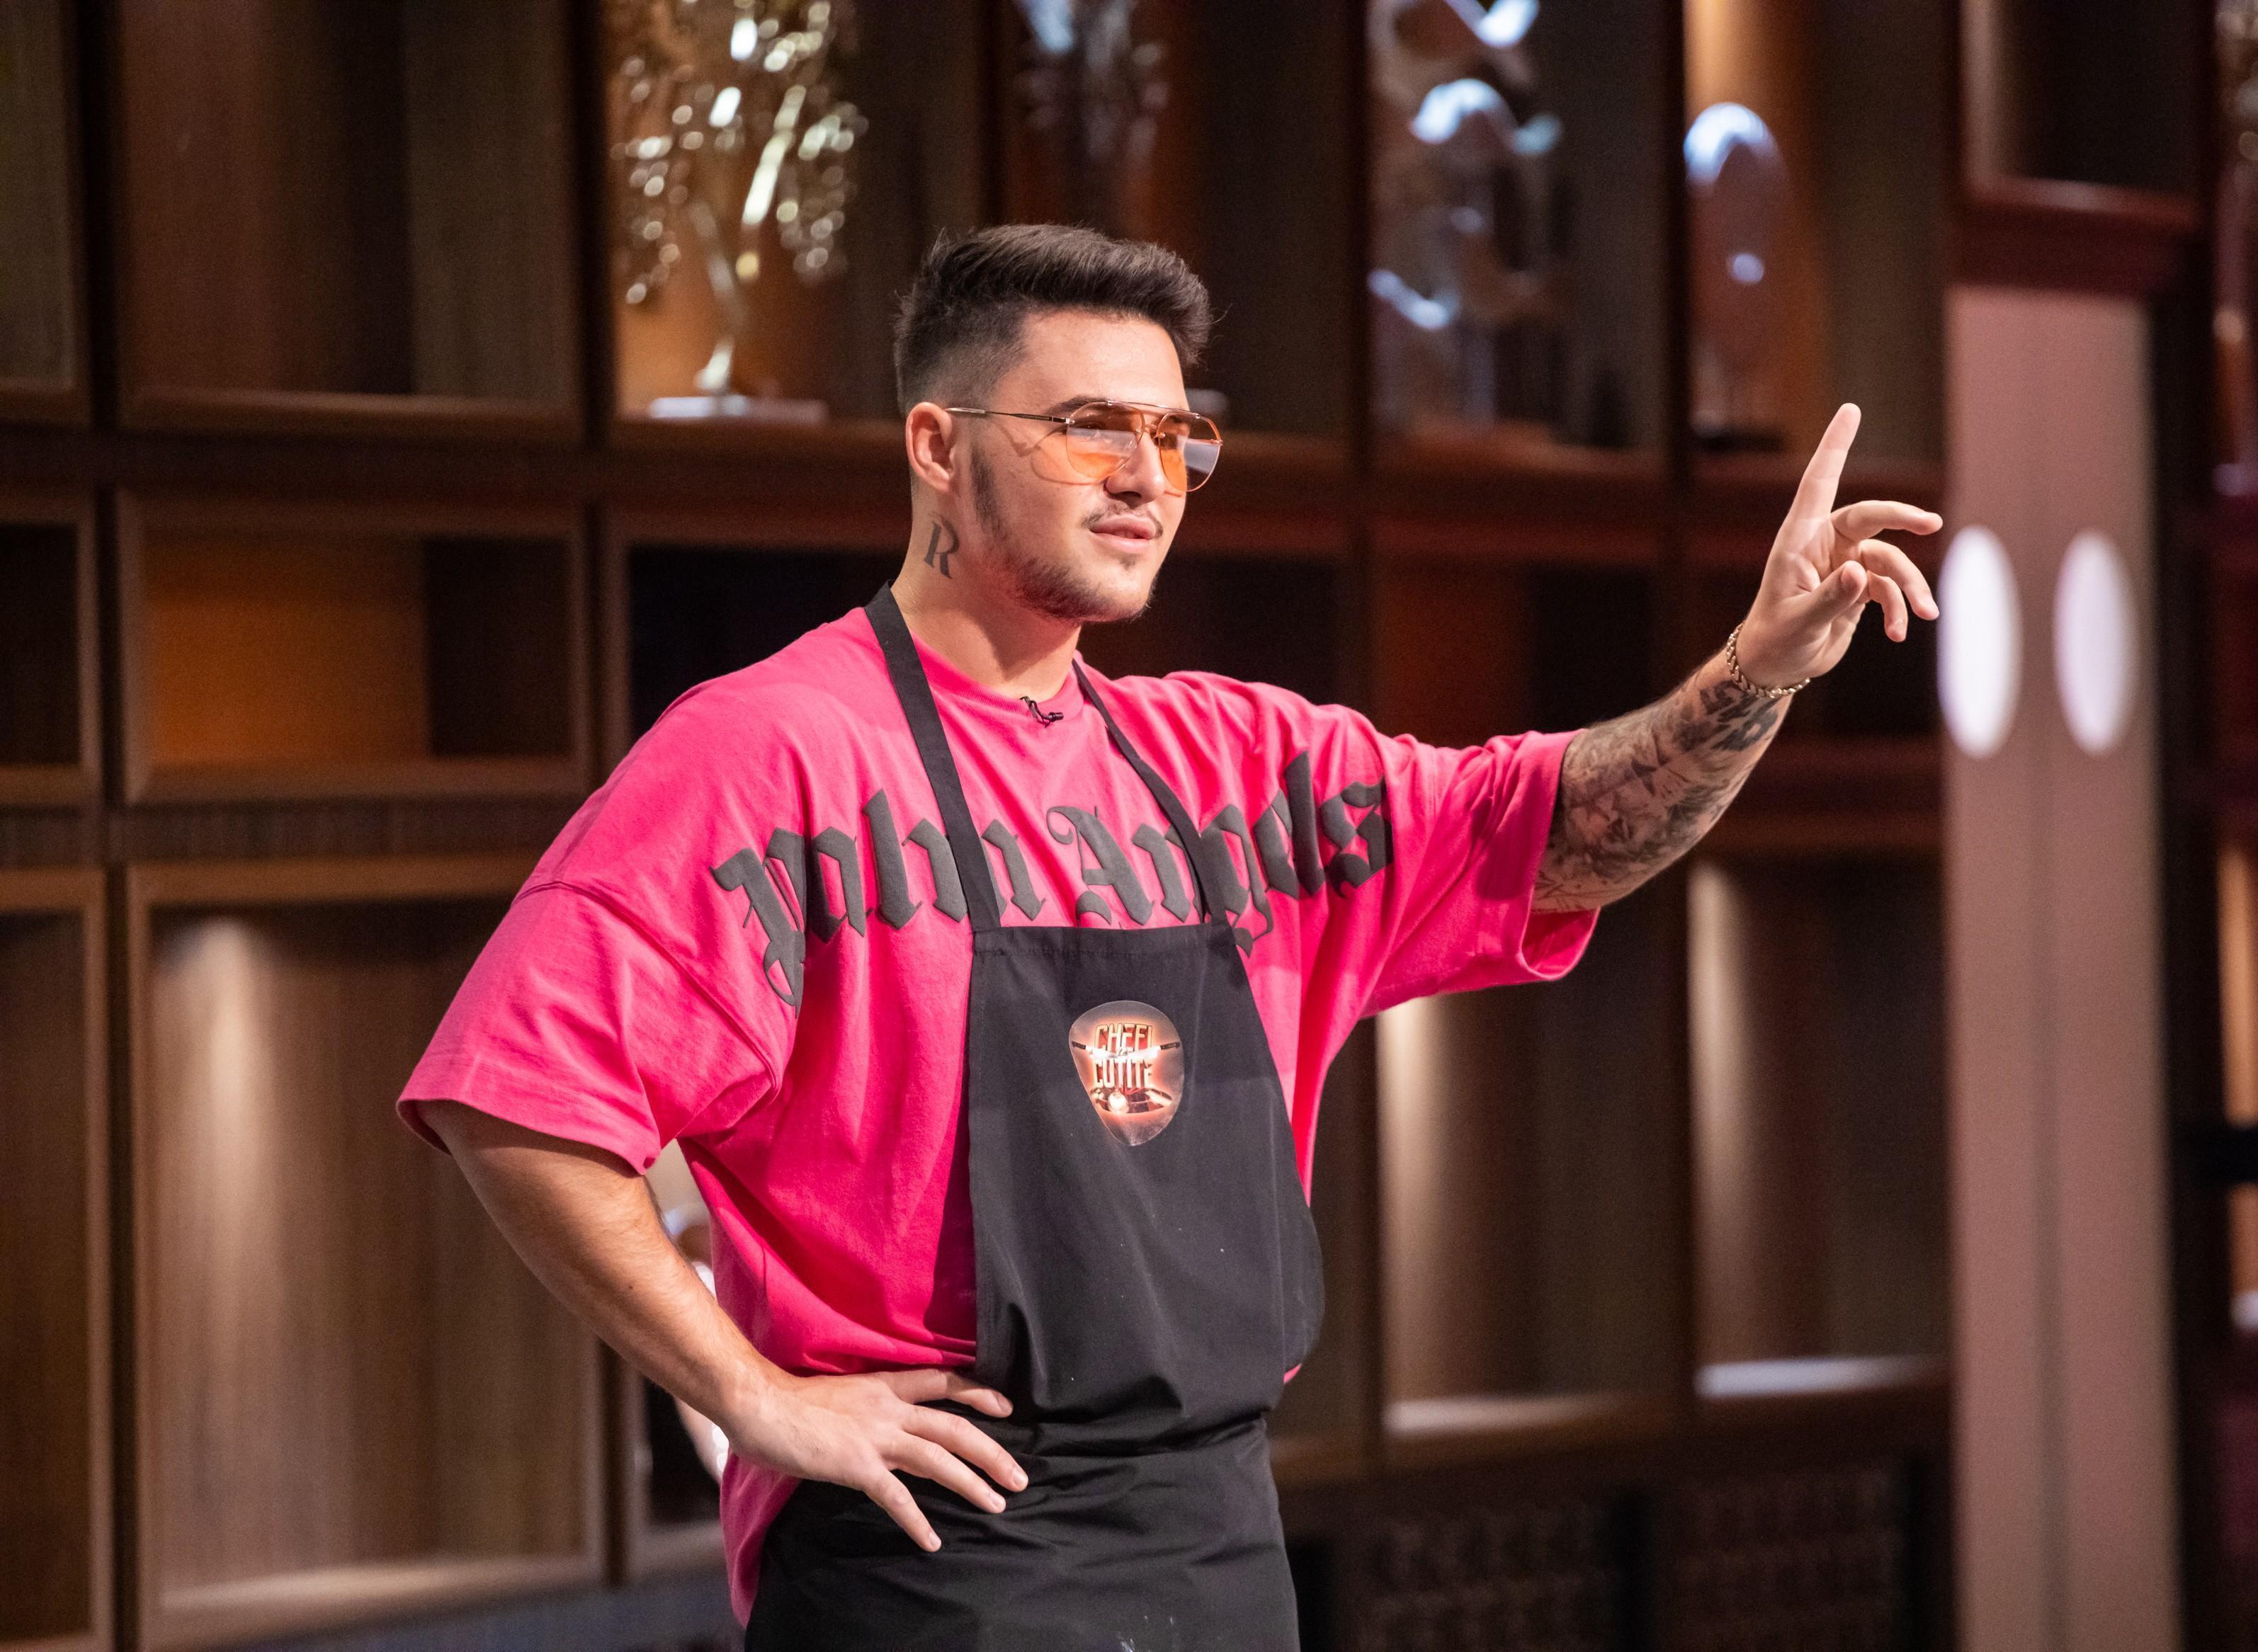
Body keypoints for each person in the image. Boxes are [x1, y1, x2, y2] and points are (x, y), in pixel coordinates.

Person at [401, 222, 1939, 1647]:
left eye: (1175, 436)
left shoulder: (1235, 765)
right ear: (937, 447)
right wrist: (754, 1399)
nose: (1146, 476)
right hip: (932, 1550)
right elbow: (515, 1100)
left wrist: (1754, 671)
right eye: (1091, 427)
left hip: (1216, 1535)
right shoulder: (771, 753)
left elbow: (1569, 831)